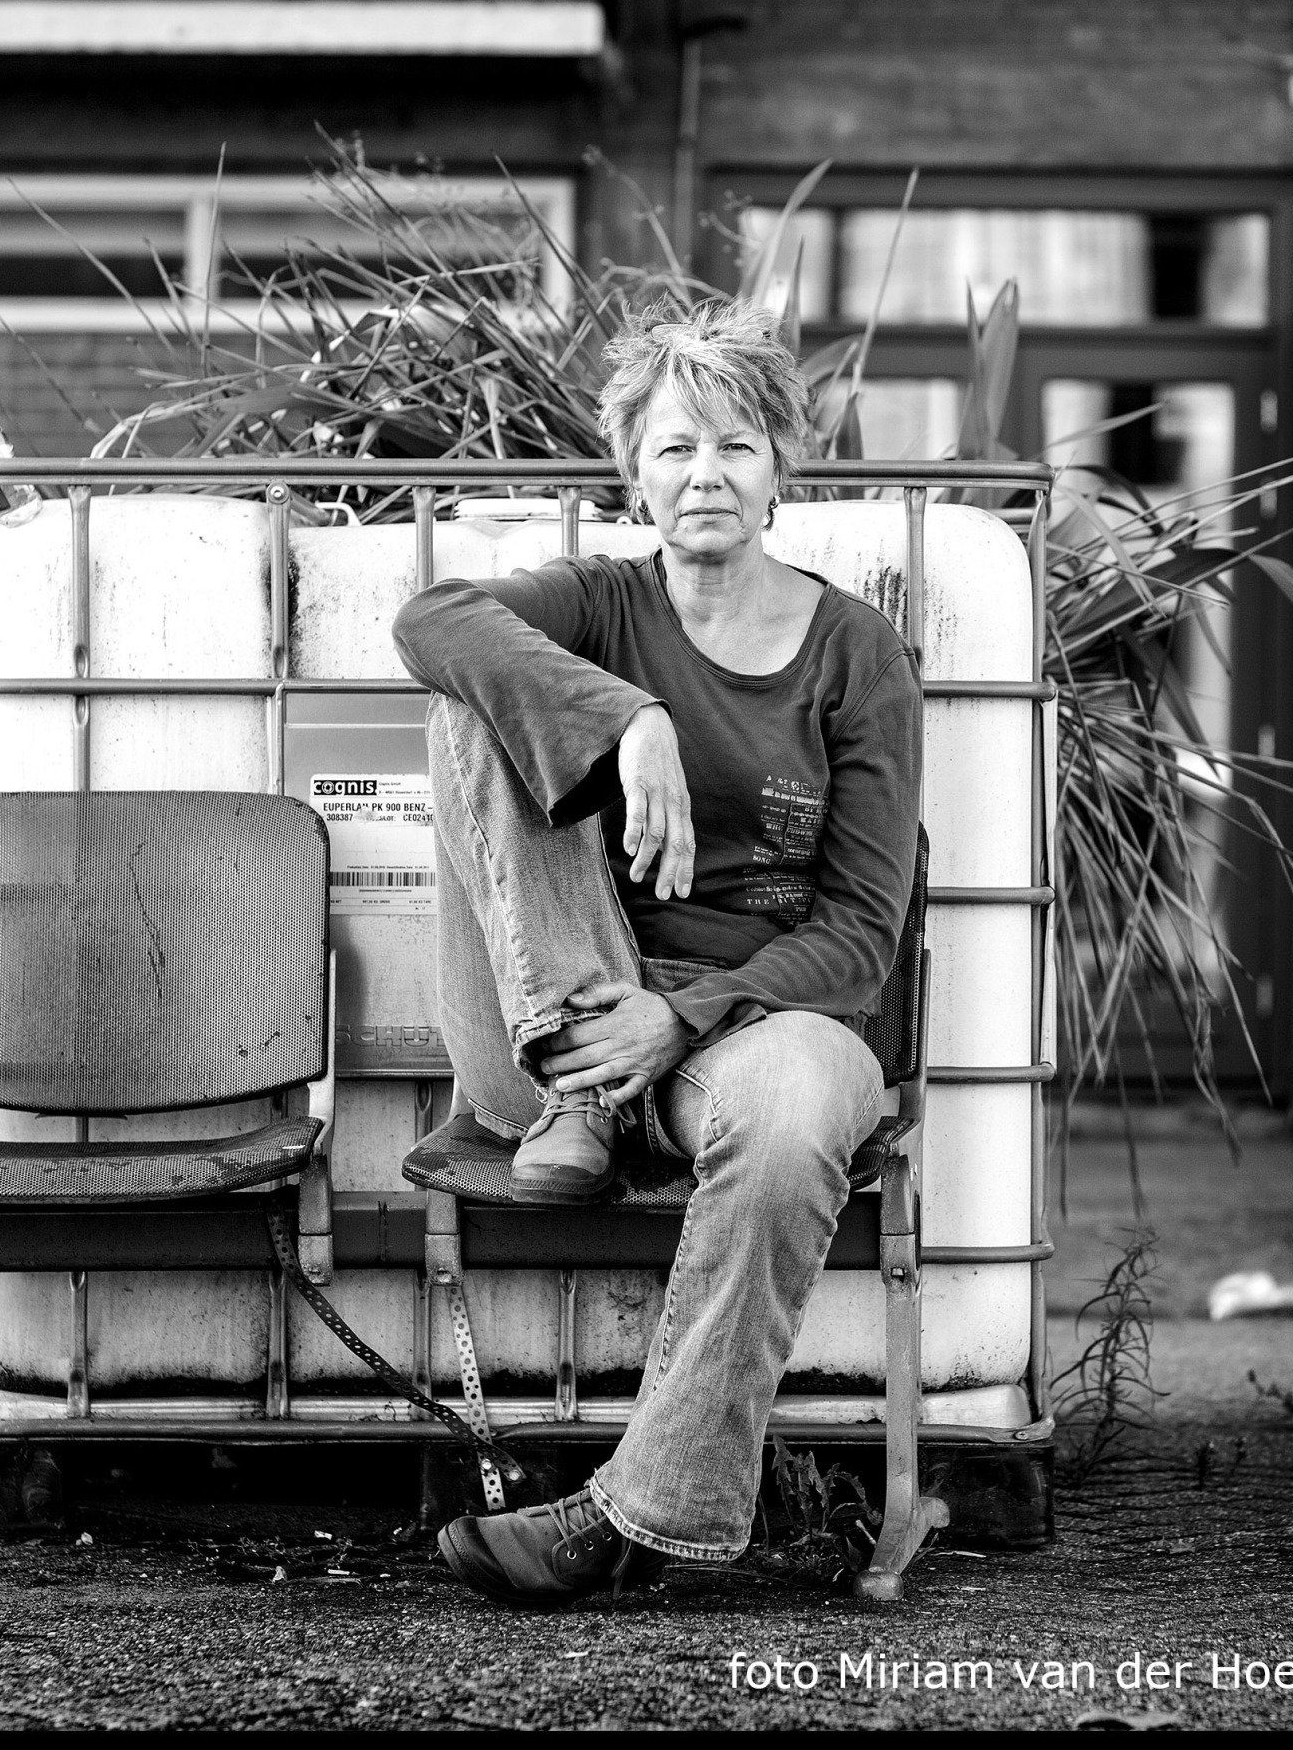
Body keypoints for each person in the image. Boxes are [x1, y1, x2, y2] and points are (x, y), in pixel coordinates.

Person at [390, 295, 922, 1605]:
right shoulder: (601, 605)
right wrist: (630, 722)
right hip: (554, 1032)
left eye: (738, 446)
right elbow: (430, 624)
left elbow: (863, 931)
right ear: (634, 467)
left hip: (751, 1031)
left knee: (799, 1107)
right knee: (479, 701)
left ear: (782, 468)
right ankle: (577, 1079)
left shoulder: (856, 653)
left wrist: (683, 1020)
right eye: (678, 446)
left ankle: (636, 1514)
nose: (706, 474)